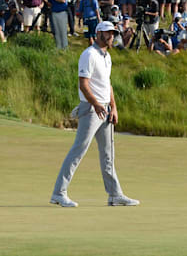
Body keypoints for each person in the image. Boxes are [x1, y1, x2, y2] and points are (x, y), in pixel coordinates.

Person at [50, 21, 139, 208]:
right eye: (107, 33)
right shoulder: (88, 55)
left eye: (113, 33)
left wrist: (113, 107)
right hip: (91, 110)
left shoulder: (107, 57)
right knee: (78, 150)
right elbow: (84, 84)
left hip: (105, 109)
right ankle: (59, 193)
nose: (111, 36)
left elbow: (108, 85)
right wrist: (97, 105)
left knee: (108, 155)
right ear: (98, 33)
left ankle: (115, 195)